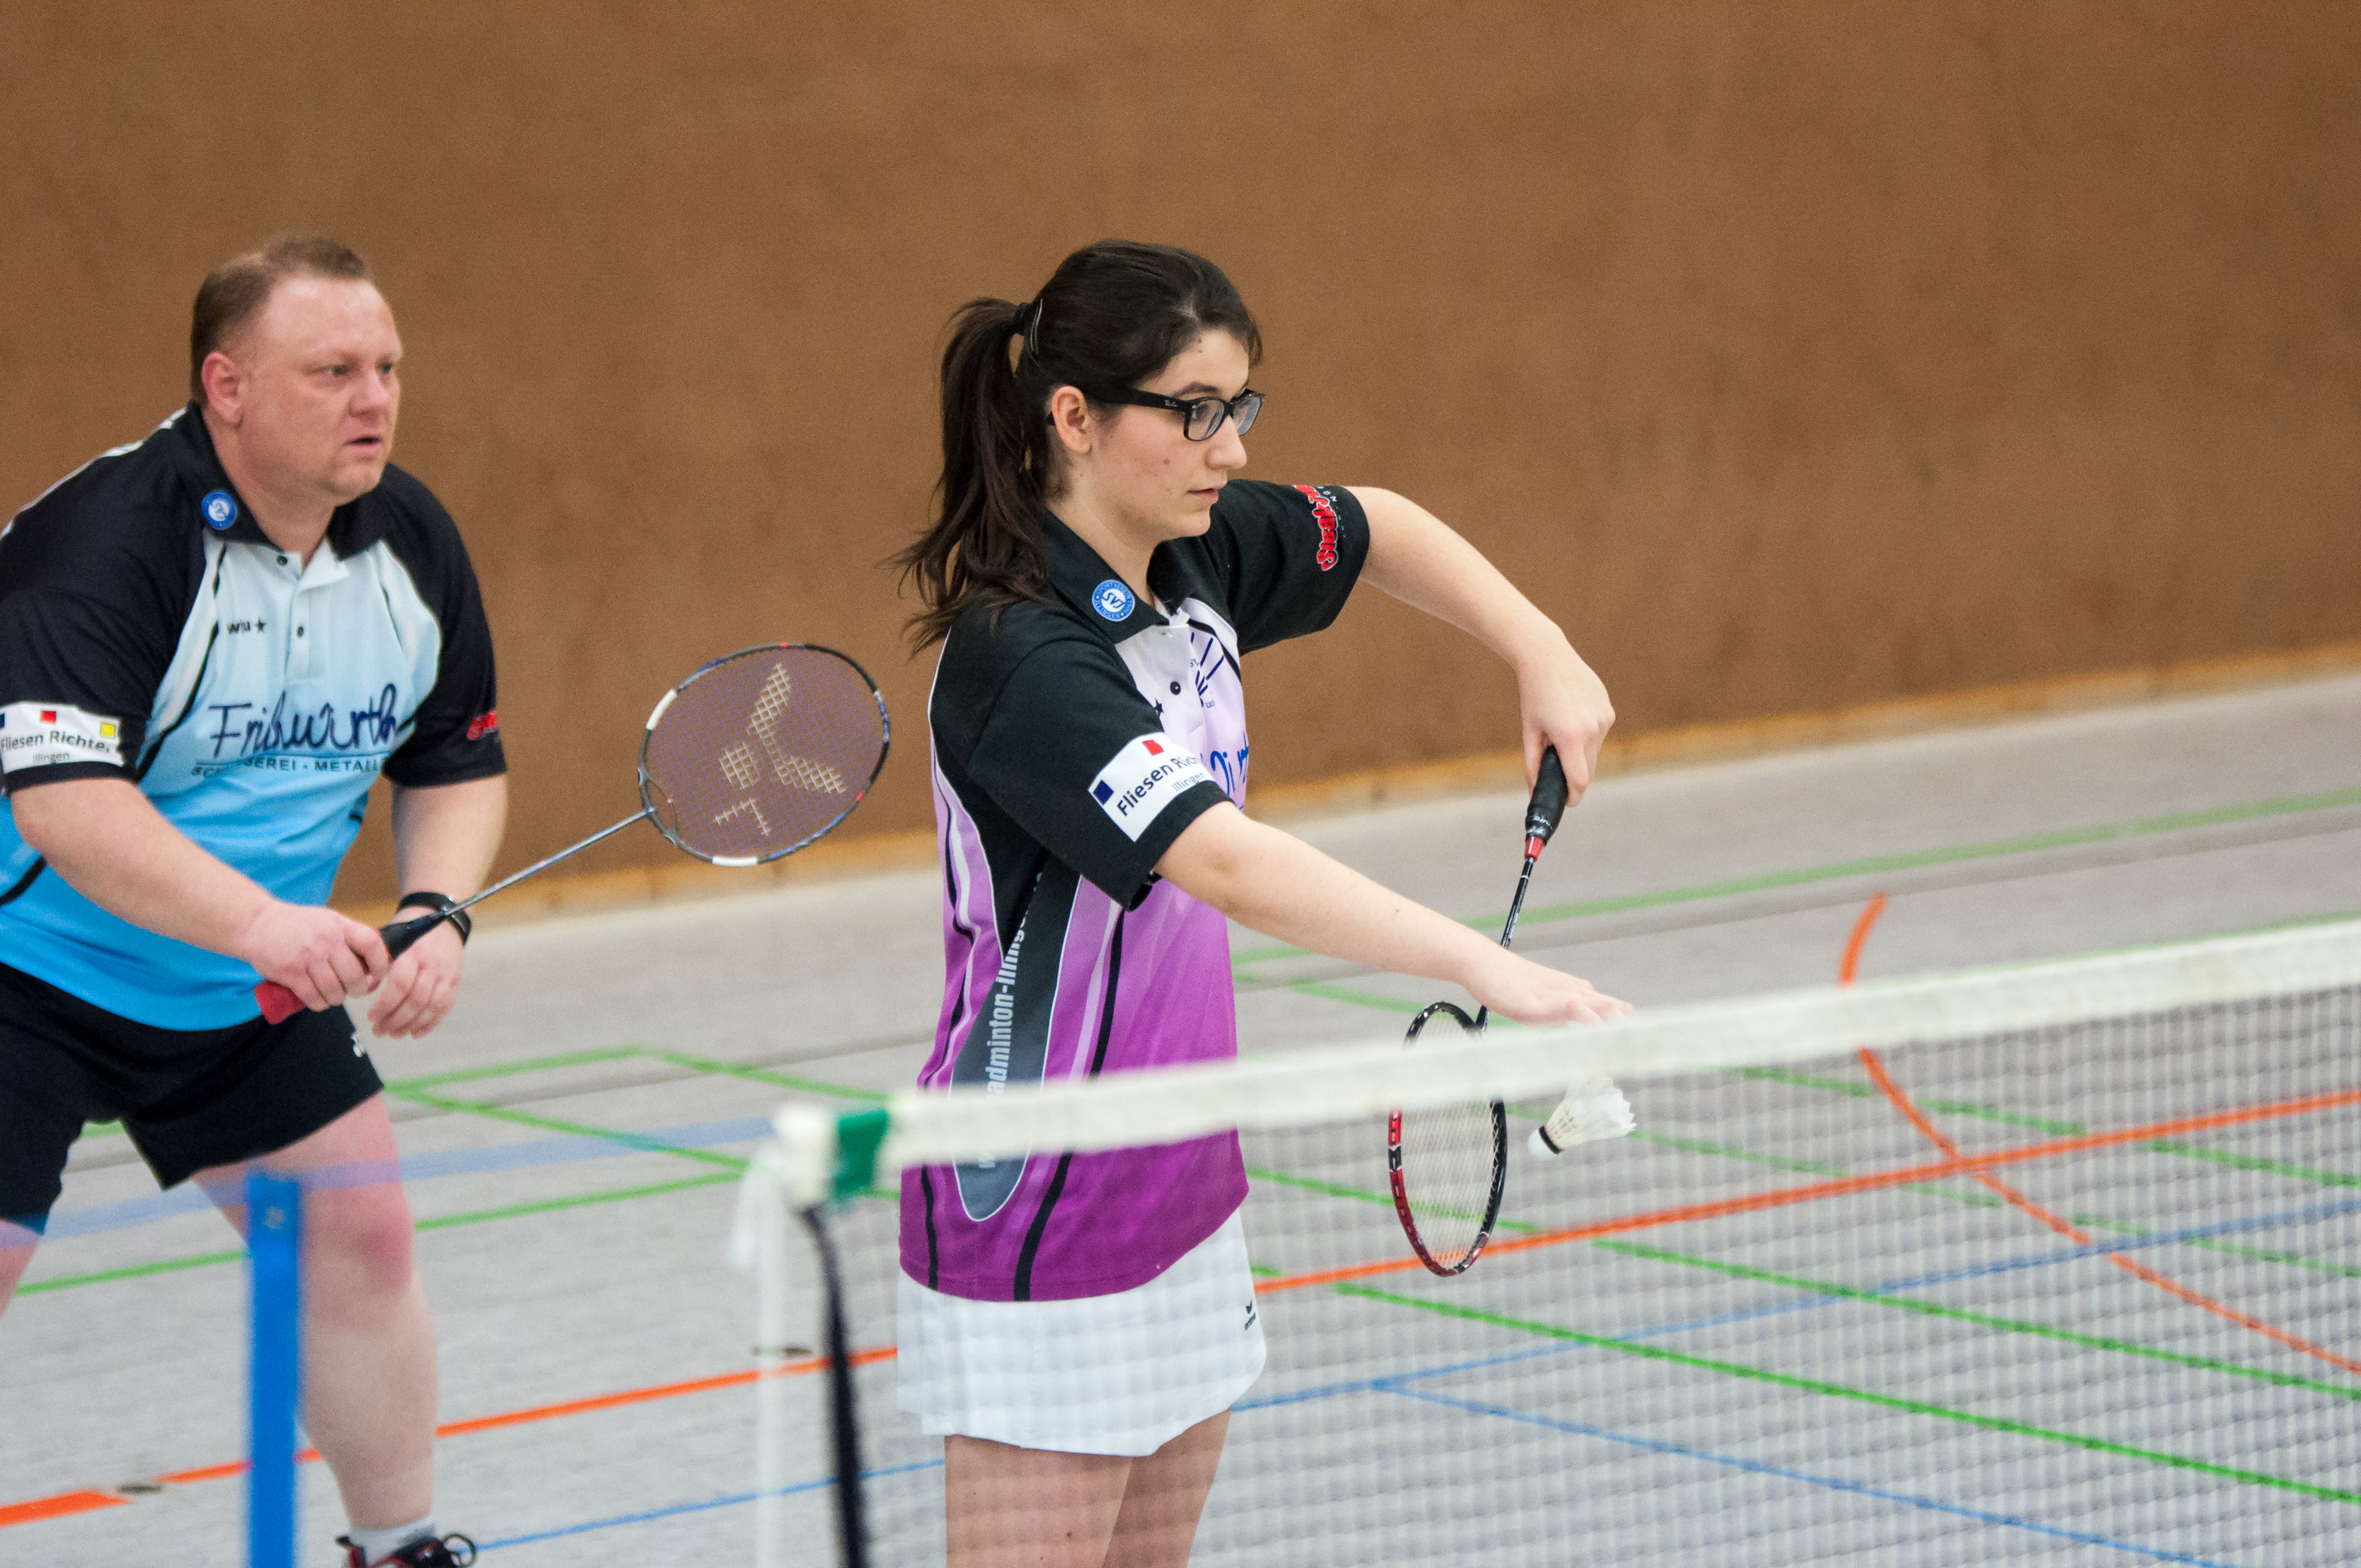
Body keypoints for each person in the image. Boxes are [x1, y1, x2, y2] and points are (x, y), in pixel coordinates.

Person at [893, 239, 1633, 1567]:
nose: (1228, 448)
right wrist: (1489, 967)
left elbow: (1376, 521)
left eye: (1237, 405)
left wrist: (1542, 646)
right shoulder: (1019, 655)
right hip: (1037, 1193)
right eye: (1192, 411)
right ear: (1074, 417)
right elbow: (1222, 861)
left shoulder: (1197, 554)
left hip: (1184, 1174)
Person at [0, 235, 502, 1568]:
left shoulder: (410, 542)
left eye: (387, 367)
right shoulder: (105, 542)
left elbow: (457, 760)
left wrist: (438, 905)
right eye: (332, 371)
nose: (374, 398)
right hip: (24, 967)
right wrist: (266, 926)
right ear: (226, 387)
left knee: (360, 1231)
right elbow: (65, 806)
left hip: (238, 990)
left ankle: (398, 1545)